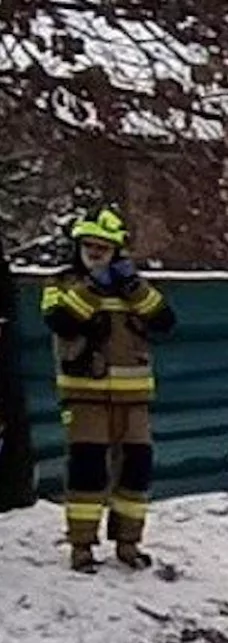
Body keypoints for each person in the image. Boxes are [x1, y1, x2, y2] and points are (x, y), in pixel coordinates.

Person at [40, 207, 175, 572]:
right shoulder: (62, 283)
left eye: (104, 246)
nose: (96, 252)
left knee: (136, 470)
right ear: (79, 246)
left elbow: (165, 321)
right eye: (90, 245)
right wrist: (93, 288)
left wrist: (135, 289)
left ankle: (128, 543)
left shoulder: (134, 285)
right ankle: (81, 546)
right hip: (85, 393)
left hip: (134, 399)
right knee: (87, 471)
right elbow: (61, 323)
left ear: (117, 251)